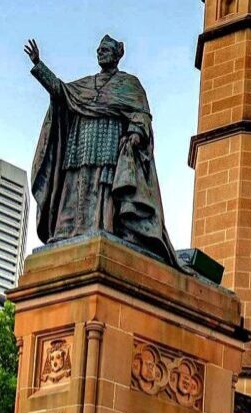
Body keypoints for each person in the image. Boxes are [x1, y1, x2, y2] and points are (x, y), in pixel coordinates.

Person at [24, 36, 181, 267]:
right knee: (74, 186)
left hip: (109, 144)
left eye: (105, 50)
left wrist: (136, 133)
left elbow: (141, 114)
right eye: (98, 50)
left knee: (102, 187)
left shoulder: (129, 84)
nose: (100, 53)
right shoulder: (86, 84)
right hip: (80, 144)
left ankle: (102, 226)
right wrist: (39, 64)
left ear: (117, 54)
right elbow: (60, 90)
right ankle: (68, 231)